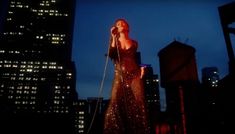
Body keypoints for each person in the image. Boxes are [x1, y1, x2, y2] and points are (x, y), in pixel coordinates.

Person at [103, 18, 150, 134]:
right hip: (119, 75)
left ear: (127, 27)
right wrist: (113, 37)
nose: (120, 24)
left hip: (134, 74)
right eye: (118, 24)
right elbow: (112, 54)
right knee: (115, 101)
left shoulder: (134, 43)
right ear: (116, 28)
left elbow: (133, 58)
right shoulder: (114, 41)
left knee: (138, 102)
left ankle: (139, 130)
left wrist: (141, 71)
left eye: (123, 23)